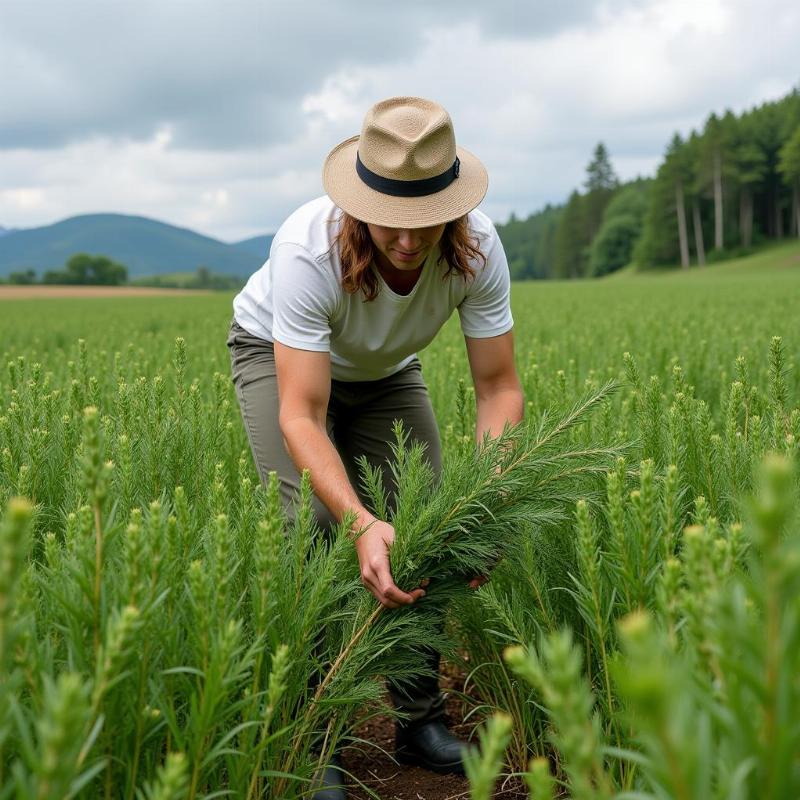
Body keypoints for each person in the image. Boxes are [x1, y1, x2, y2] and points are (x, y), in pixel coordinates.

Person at [227, 96, 523, 799]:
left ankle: (418, 718)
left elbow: (499, 388)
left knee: (425, 519)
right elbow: (302, 413)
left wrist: (484, 502)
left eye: (427, 221)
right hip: (282, 362)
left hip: (387, 371)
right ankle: (313, 736)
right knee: (310, 528)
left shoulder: (477, 247)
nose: (408, 242)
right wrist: (359, 522)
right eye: (392, 221)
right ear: (360, 203)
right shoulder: (309, 248)